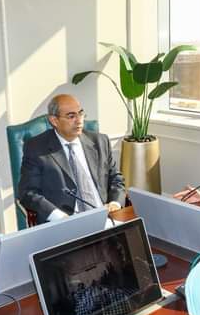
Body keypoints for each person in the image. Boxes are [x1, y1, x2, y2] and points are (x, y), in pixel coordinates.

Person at [18, 94, 126, 223]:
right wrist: (58, 216)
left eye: (80, 113)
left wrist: (115, 203)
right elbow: (28, 193)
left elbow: (116, 179)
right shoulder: (36, 148)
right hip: (65, 222)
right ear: (54, 120)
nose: (79, 120)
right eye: (71, 116)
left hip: (105, 217)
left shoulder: (100, 141)